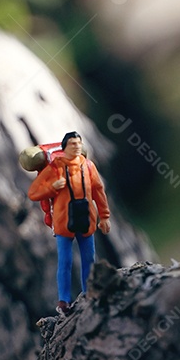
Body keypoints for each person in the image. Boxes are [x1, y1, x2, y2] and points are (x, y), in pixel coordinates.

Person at [26, 132, 111, 313]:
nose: (76, 147)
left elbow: (98, 191)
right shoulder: (54, 169)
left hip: (87, 220)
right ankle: (64, 300)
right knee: (65, 262)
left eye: (78, 144)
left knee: (89, 259)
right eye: (72, 144)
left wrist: (104, 216)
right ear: (64, 148)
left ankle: (89, 292)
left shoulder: (88, 166)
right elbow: (33, 192)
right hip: (63, 222)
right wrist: (52, 187)